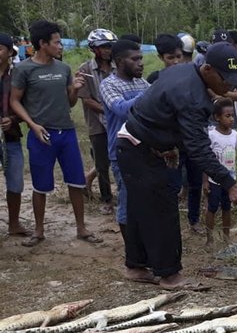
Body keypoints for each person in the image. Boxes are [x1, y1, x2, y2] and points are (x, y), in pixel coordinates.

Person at [117, 42, 237, 290]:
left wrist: (169, 145)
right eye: (226, 79)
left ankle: (135, 266)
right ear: (208, 69)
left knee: (140, 208)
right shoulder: (192, 96)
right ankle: (169, 275)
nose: (230, 85)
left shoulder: (187, 71)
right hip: (139, 149)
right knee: (162, 210)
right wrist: (230, 183)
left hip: (136, 143)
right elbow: (199, 148)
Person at [9, 20, 101, 248]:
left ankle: (81, 228)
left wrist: (74, 90)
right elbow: (14, 101)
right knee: (40, 185)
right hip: (41, 134)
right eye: (57, 42)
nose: (61, 46)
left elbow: (69, 103)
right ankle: (39, 231)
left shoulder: (63, 68)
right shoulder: (24, 69)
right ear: (42, 43)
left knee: (76, 182)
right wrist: (32, 124)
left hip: (67, 133)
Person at [99, 39, 149, 246]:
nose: (140, 63)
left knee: (145, 201)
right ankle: (133, 253)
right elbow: (121, 110)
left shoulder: (142, 82)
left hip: (145, 149)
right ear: (119, 61)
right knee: (128, 201)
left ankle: (143, 245)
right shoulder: (108, 85)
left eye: (141, 58)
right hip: (122, 152)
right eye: (135, 59)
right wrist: (151, 95)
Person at [78, 28, 118, 215]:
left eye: (110, 46)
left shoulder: (119, 66)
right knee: (102, 164)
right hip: (97, 124)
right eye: (104, 46)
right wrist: (110, 109)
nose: (109, 50)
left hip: (118, 123)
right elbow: (86, 100)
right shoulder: (85, 70)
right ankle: (107, 199)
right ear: (94, 49)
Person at [0, 33, 28, 237]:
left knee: (16, 182)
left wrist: (14, 119)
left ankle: (14, 223)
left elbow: (27, 104)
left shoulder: (18, 75)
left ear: (10, 52)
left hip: (11, 136)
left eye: (0, 48)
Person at [204, 98, 237, 248]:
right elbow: (206, 160)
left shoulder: (235, 135)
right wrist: (205, 181)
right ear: (217, 117)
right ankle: (209, 238)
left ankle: (226, 237)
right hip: (214, 181)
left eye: (232, 115)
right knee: (212, 208)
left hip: (229, 180)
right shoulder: (212, 136)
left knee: (227, 208)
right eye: (227, 116)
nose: (231, 119)